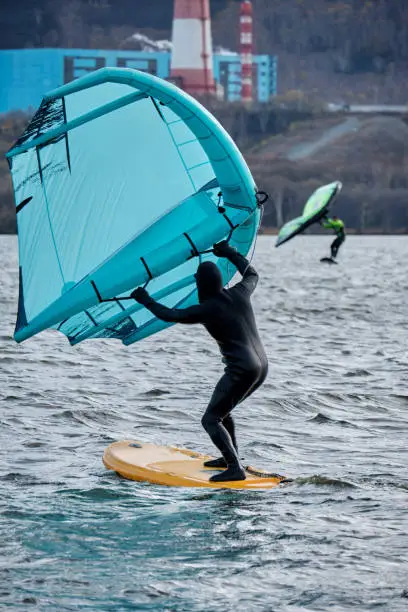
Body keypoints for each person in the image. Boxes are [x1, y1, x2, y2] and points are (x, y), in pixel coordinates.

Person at [131, 240, 268, 483]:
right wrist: (230, 253)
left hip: (241, 369)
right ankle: (230, 459)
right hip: (262, 366)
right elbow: (252, 273)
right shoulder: (240, 292)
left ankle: (236, 468)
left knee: (210, 419)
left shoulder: (207, 308)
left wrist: (144, 299)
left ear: (201, 285)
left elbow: (169, 314)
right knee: (223, 411)